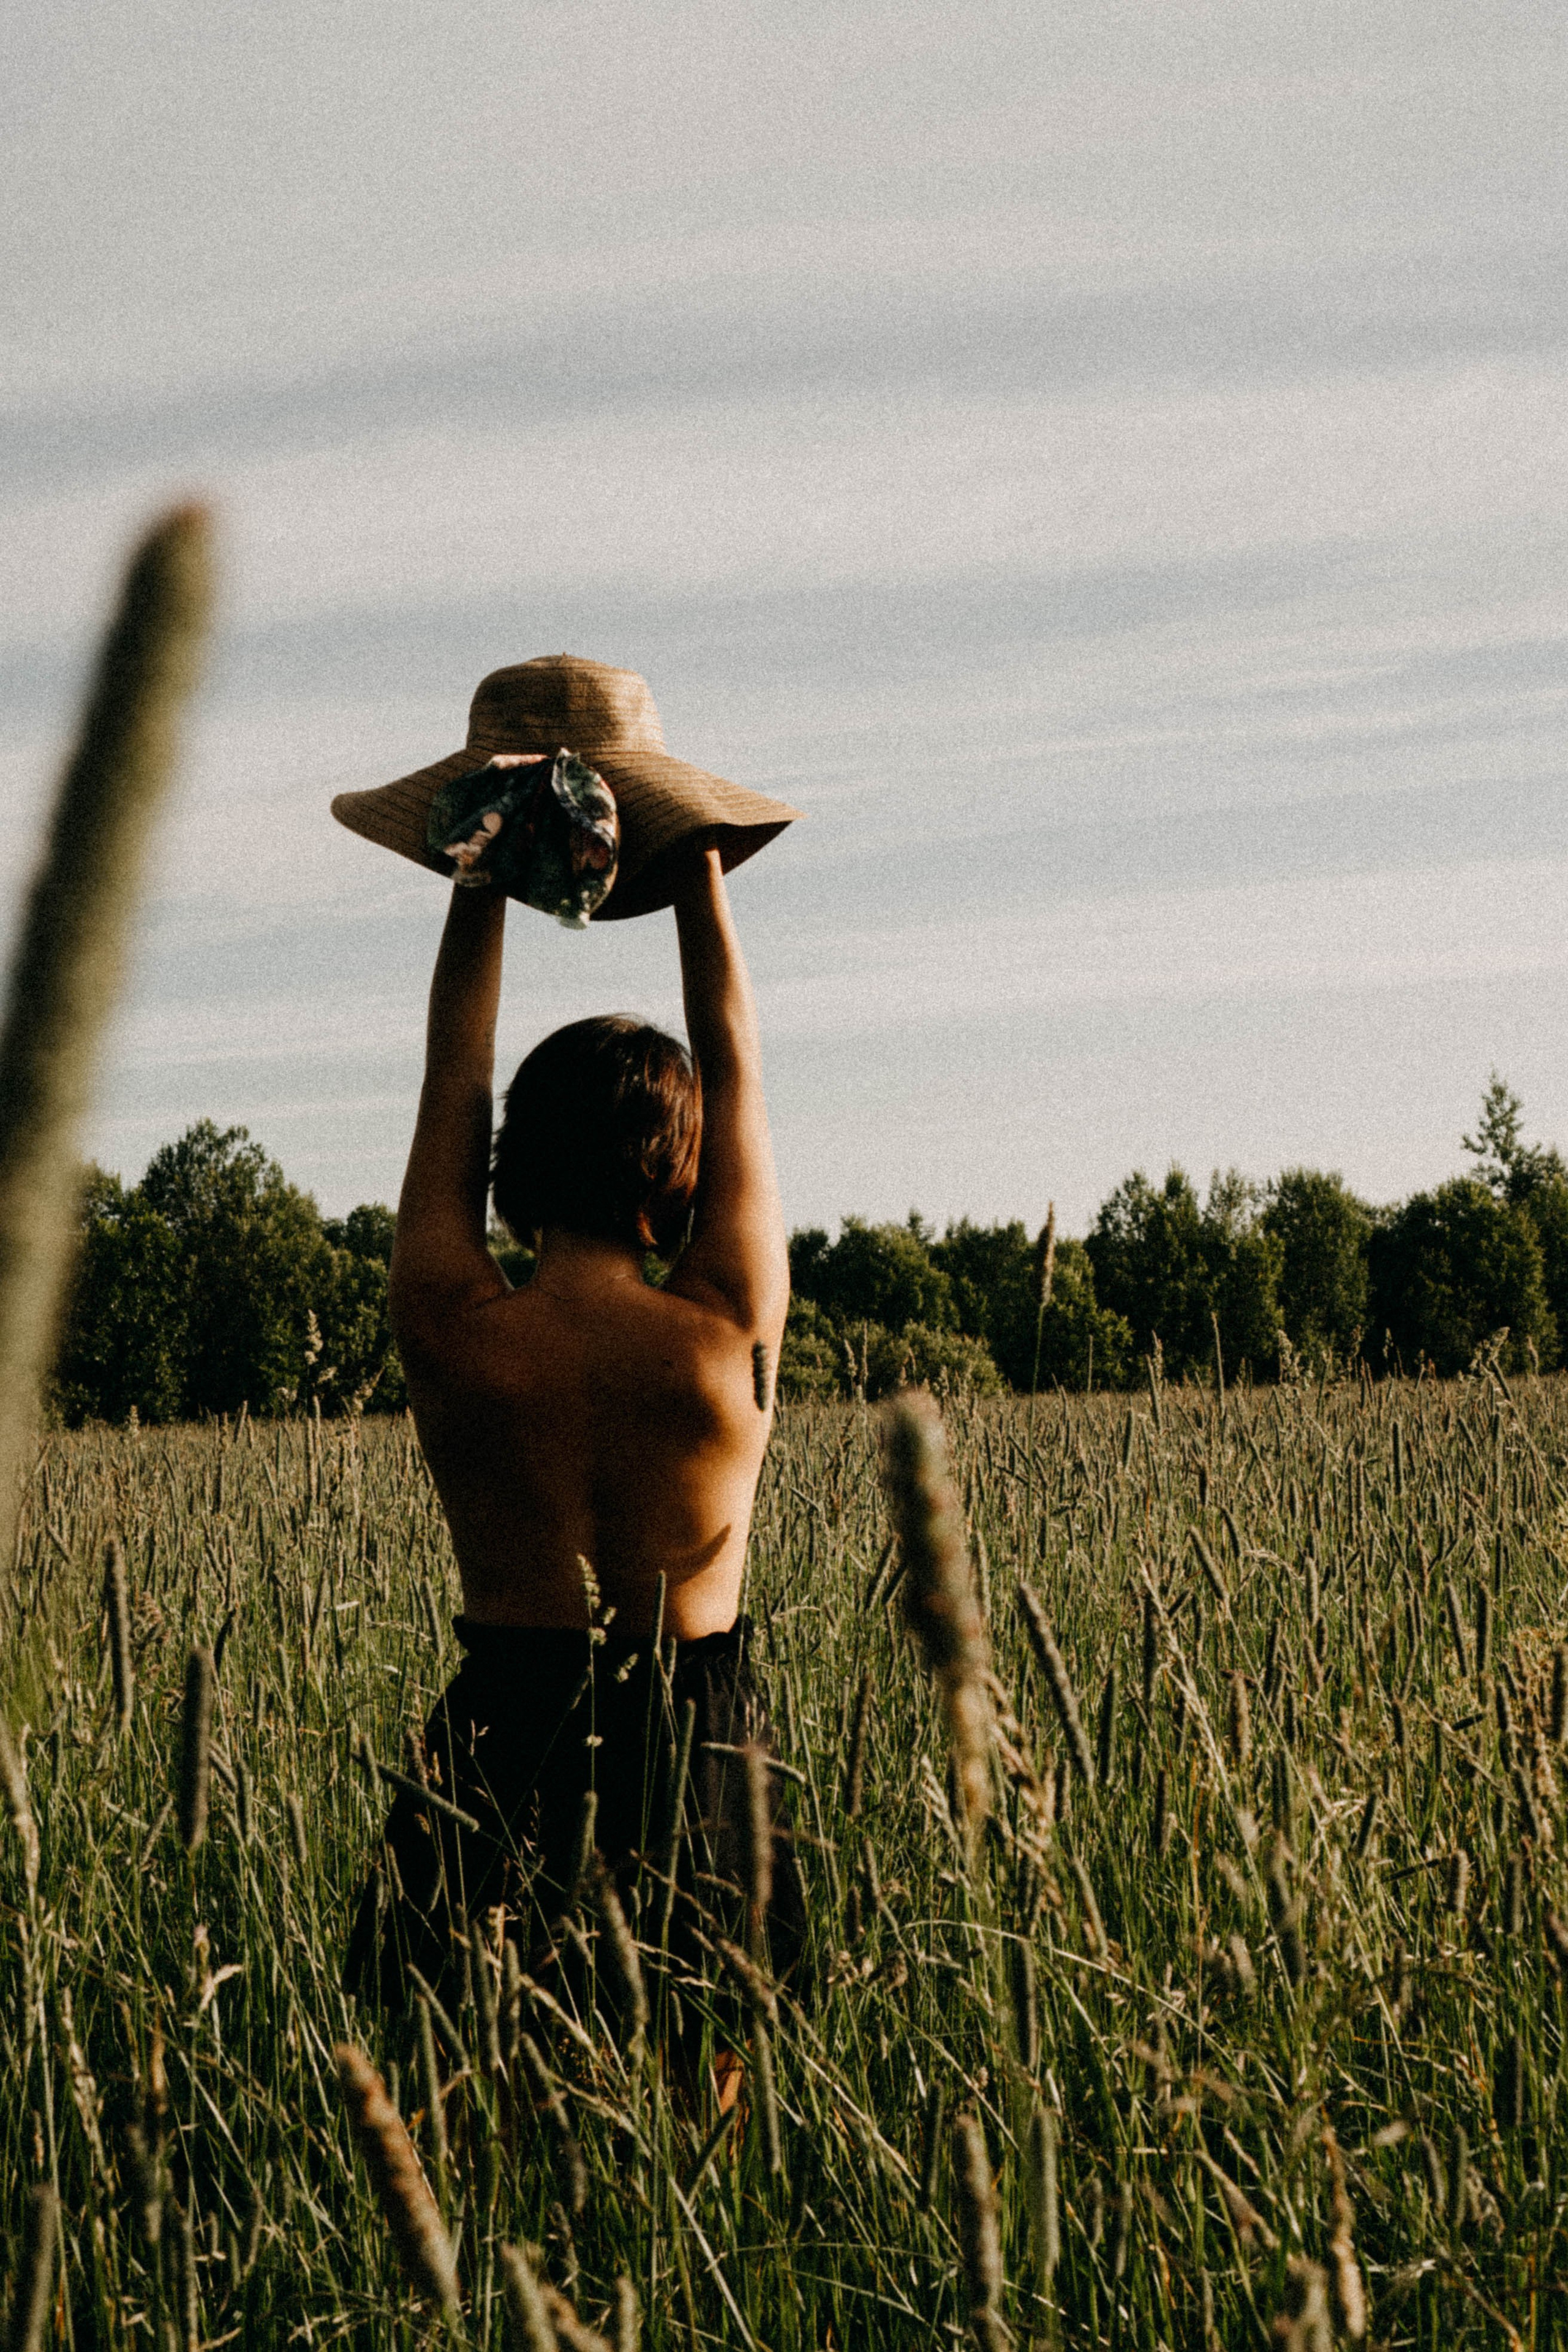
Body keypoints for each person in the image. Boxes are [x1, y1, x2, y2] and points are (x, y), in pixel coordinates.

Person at [344, 818, 802, 2045]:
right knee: (707, 2128)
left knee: (469, 2118)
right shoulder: (728, 1328)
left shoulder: (453, 1329)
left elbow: (453, 1074)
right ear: (682, 1175)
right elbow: (738, 1067)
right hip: (696, 1749)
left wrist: (483, 876)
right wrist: (696, 867)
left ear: (512, 1163)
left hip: (502, 1740)